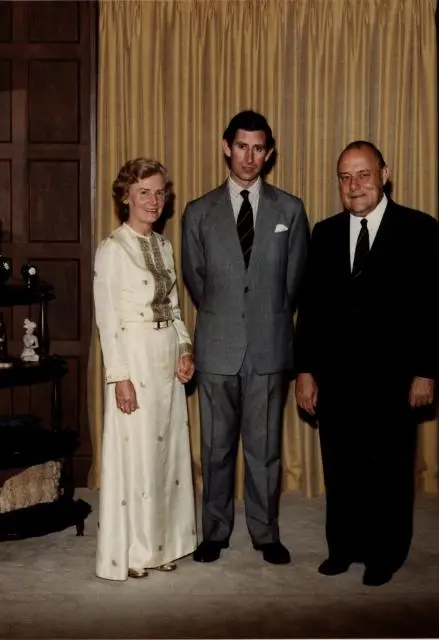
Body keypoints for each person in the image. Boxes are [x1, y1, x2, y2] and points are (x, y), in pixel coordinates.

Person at [295, 141, 439, 587]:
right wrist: (305, 370)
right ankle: (343, 547)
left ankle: (386, 554)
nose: (354, 185)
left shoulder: (420, 230)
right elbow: (311, 309)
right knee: (341, 466)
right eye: (345, 177)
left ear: (385, 173)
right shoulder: (323, 233)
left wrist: (427, 371)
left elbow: (436, 308)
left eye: (363, 174)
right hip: (337, 378)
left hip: (395, 378)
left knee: (389, 468)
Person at [181, 110, 309, 565]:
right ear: (226, 147)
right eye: (241, 146)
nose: (249, 157)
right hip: (217, 348)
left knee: (265, 449)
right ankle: (214, 531)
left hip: (269, 347)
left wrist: (264, 317)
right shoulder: (198, 212)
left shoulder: (290, 210)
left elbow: (294, 283)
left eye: (258, 148)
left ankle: (265, 532)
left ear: (268, 153)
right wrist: (226, 315)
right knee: (214, 449)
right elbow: (196, 280)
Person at [93, 158, 197, 581]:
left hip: (165, 357)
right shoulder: (112, 249)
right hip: (133, 357)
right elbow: (106, 318)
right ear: (125, 197)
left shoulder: (164, 246)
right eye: (144, 193)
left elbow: (172, 307)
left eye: (159, 193)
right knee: (135, 454)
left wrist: (184, 349)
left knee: (165, 455)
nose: (153, 201)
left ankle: (162, 545)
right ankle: (133, 552)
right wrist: (119, 377)